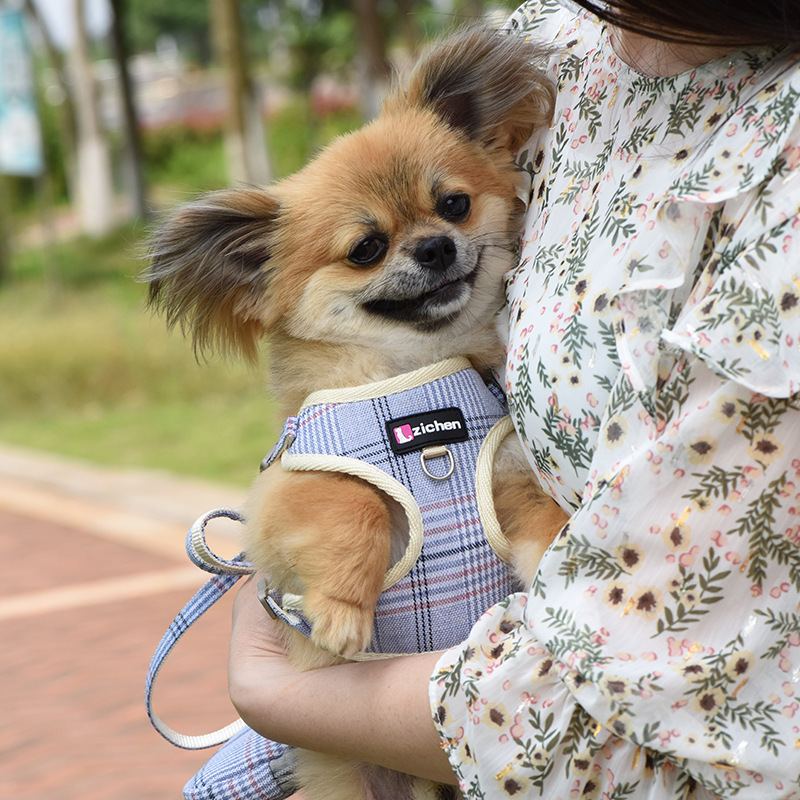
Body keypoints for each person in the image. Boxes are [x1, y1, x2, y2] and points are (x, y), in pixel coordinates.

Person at [228, 0, 800, 797]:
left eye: (452, 208)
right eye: (367, 249)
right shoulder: (555, 39)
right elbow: (287, 507)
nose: (432, 245)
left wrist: (278, 694)